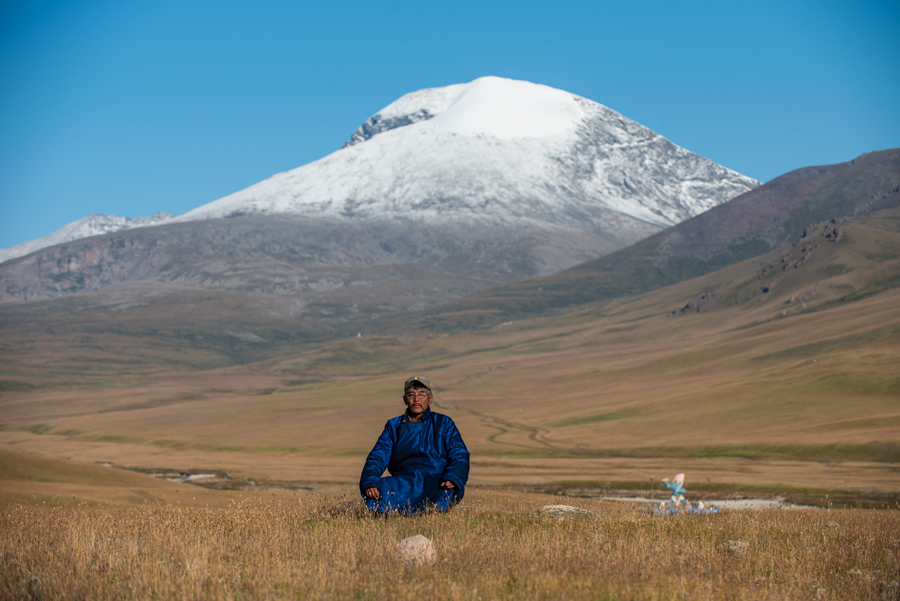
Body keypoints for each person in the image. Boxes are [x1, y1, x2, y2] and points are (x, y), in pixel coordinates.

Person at [359, 375, 470, 515]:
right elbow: (378, 456)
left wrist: (453, 477)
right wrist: (369, 481)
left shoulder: (444, 423)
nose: (416, 399)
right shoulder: (393, 426)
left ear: (430, 399)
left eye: (421, 394)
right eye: (411, 394)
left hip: (436, 479)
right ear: (405, 399)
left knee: (445, 491)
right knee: (380, 489)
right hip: (403, 481)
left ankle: (430, 515)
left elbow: (459, 454)